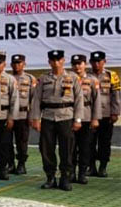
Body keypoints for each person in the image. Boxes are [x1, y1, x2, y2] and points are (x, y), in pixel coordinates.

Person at [29, 49, 82, 191]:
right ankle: (50, 177)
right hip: (48, 117)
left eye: (59, 60)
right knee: (46, 148)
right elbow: (36, 100)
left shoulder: (73, 78)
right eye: (53, 60)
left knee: (67, 148)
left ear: (63, 61)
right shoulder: (44, 79)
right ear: (49, 62)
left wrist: (78, 119)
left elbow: (79, 100)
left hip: (66, 116)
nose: (56, 63)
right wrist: (35, 118)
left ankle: (65, 177)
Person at [70, 54, 100, 185]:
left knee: (85, 147)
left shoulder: (92, 80)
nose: (77, 66)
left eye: (80, 63)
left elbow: (97, 101)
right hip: (71, 117)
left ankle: (82, 173)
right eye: (75, 64)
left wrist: (95, 118)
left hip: (87, 116)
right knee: (70, 147)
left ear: (85, 64)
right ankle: (70, 173)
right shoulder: (67, 79)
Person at [89, 51, 119, 177]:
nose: (96, 64)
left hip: (106, 114)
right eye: (94, 62)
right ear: (90, 62)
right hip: (90, 115)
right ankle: (91, 167)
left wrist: (115, 112)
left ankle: (103, 167)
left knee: (105, 142)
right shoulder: (86, 76)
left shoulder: (111, 75)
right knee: (89, 142)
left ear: (104, 62)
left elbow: (116, 96)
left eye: (99, 61)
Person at [9, 54, 36, 174]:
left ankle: (21, 164)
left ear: (24, 64)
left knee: (22, 141)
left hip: (23, 114)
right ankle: (10, 164)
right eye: (14, 63)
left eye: (19, 63)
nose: (16, 65)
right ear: (11, 65)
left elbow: (34, 99)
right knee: (6, 140)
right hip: (8, 115)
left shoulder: (30, 79)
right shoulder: (6, 78)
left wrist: (32, 117)